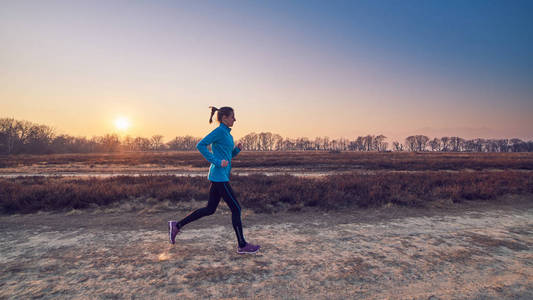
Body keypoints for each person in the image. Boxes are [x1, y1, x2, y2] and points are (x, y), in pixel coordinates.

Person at [168, 106, 261, 254]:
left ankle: (177, 225)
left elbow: (227, 156)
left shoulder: (227, 134)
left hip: (221, 176)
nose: (235, 119)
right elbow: (201, 145)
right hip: (219, 177)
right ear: (224, 118)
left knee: (210, 209)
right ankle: (242, 245)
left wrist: (236, 150)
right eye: (232, 117)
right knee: (236, 208)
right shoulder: (219, 131)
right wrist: (216, 161)